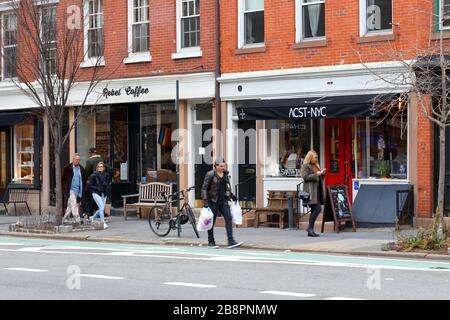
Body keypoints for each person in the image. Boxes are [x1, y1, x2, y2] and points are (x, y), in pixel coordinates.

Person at [201, 157, 243, 249]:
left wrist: (232, 196)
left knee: (228, 218)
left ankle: (231, 240)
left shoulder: (225, 174)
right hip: (213, 201)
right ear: (215, 166)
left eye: (224, 166)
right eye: (221, 166)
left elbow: (226, 188)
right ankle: (211, 241)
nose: (223, 168)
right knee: (211, 222)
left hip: (223, 201)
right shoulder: (210, 174)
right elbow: (204, 188)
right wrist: (205, 201)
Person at [301, 150, 326, 237]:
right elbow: (305, 177)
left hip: (317, 191)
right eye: (315, 157)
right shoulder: (305, 166)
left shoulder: (316, 165)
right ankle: (310, 229)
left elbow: (320, 179)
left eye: (317, 157)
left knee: (315, 209)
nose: (316, 159)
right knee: (317, 208)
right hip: (310, 192)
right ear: (310, 157)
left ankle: (310, 229)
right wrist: (317, 174)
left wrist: (322, 174)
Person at [62, 153, 87, 224]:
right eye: (77, 159)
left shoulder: (81, 169)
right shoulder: (67, 168)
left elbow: (84, 179)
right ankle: (77, 219)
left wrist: (83, 189)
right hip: (71, 189)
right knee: (74, 204)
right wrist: (65, 188)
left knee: (70, 205)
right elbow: (63, 179)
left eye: (79, 160)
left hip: (79, 190)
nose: (78, 161)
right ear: (73, 159)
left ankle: (65, 218)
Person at [88, 162, 110, 229]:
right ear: (97, 168)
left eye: (102, 166)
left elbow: (107, 183)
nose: (100, 167)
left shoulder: (106, 175)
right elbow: (90, 185)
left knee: (101, 208)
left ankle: (92, 217)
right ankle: (103, 223)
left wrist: (106, 188)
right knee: (101, 206)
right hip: (96, 193)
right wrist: (97, 188)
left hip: (104, 193)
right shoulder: (93, 175)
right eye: (99, 166)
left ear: (104, 168)